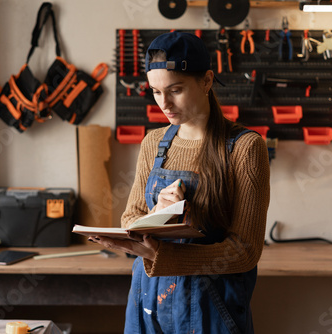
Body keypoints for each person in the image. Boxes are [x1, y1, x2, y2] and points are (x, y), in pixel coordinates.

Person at [88, 31, 270, 334]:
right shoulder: (154, 143)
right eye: (156, 92)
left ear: (207, 80)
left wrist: (161, 256)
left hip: (212, 308)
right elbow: (130, 218)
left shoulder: (245, 148)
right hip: (149, 301)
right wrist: (156, 213)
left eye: (175, 89)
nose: (165, 103)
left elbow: (245, 251)